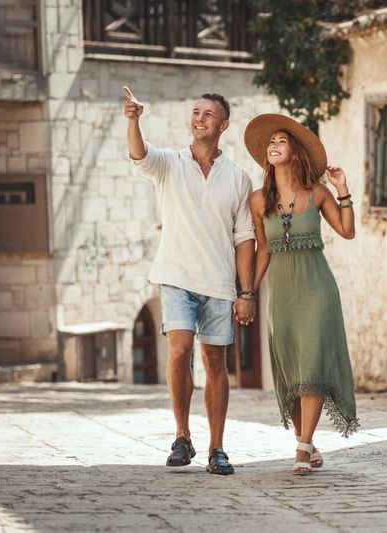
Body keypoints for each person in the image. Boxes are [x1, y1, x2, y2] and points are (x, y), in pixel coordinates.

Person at [123, 86, 256, 475]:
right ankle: (182, 436)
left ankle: (217, 448)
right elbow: (139, 155)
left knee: (216, 362)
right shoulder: (169, 163)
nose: (199, 118)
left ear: (223, 125)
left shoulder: (238, 177)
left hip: (218, 281)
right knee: (179, 351)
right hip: (175, 275)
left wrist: (246, 292)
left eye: (207, 114)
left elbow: (244, 238)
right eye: (195, 112)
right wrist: (133, 121)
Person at [244, 114, 359, 474]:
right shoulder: (259, 200)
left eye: (281, 141)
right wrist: (247, 292)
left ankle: (303, 447)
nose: (273, 145)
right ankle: (305, 440)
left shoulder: (317, 192)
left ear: (294, 152)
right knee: (292, 372)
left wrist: (342, 189)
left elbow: (347, 231)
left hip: (317, 290)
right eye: (270, 143)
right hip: (280, 293)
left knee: (312, 364)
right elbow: (263, 249)